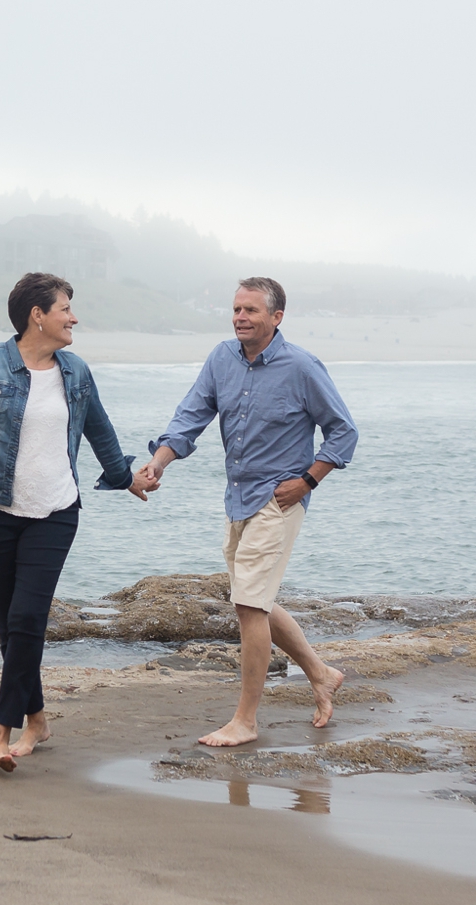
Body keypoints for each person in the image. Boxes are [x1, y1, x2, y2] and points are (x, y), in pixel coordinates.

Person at [0, 272, 158, 771]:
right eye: (66, 308)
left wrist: (125, 478)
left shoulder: (75, 372)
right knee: (12, 627)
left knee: (28, 619)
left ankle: (0, 734)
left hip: (55, 513)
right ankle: (39, 720)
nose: (73, 317)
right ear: (37, 316)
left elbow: (100, 431)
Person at [138, 277, 358, 741]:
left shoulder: (301, 366)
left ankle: (246, 721)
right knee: (252, 601)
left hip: (278, 501)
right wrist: (159, 464)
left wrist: (307, 481)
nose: (241, 317)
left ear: (276, 318)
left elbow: (343, 432)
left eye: (252, 311)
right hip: (237, 497)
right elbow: (190, 416)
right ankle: (321, 673)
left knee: (249, 604)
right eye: (237, 309)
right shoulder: (222, 358)